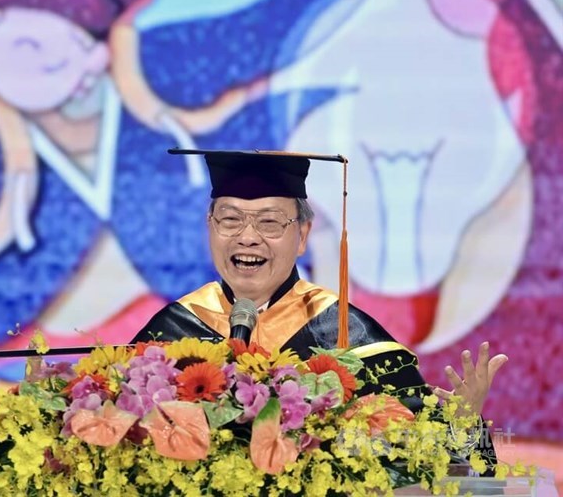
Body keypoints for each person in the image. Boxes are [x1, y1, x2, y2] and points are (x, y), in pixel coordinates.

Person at [133, 149, 507, 463]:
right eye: (229, 220)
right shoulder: (171, 331)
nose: (247, 237)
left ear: (302, 237)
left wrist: (465, 424)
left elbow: (434, 462)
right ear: (210, 228)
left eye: (270, 222)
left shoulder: (349, 334)